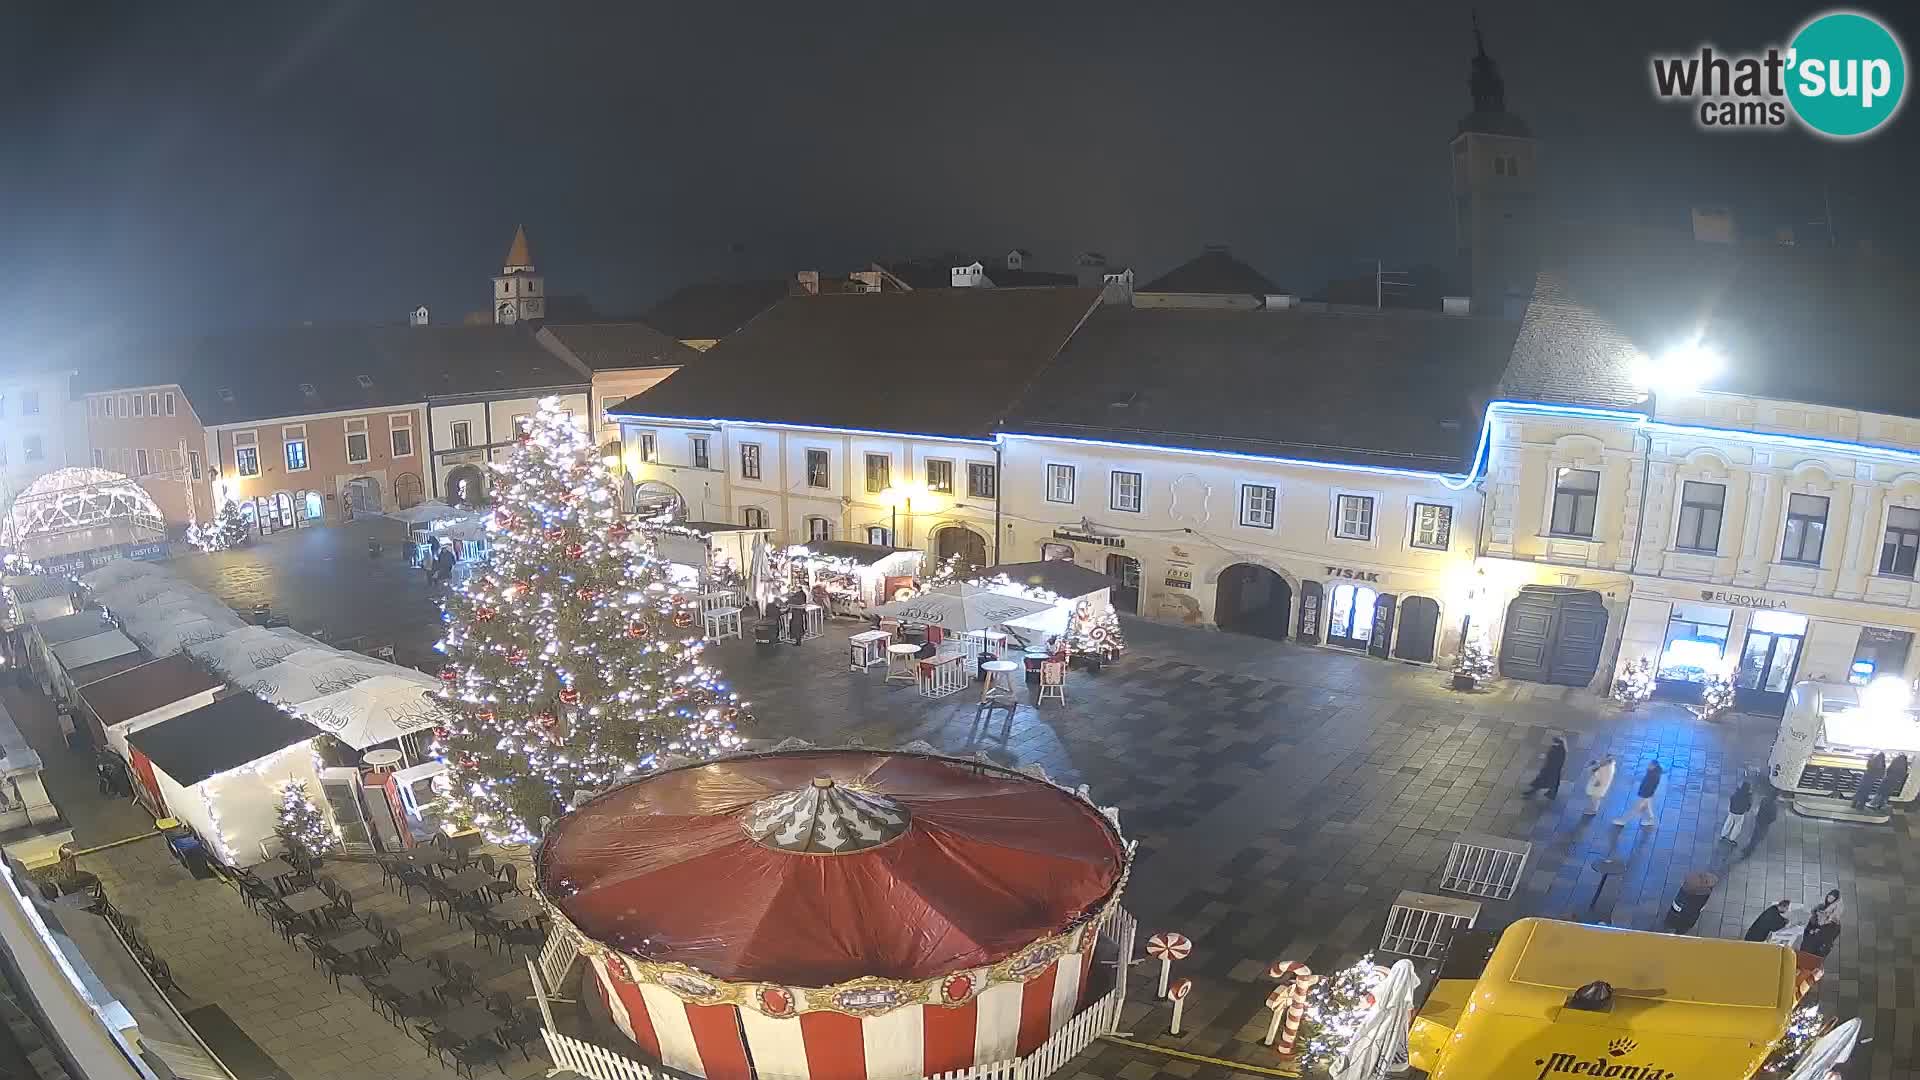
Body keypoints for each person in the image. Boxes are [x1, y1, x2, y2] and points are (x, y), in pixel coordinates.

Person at [1615, 760, 1663, 827]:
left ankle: (1623, 821)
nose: (1648, 765)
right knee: (1646, 807)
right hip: (1647, 795)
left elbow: (1649, 786)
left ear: (1654, 766)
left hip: (1645, 794)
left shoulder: (1653, 775)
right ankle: (1651, 820)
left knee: (1635, 808)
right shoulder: (1652, 772)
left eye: (1650, 765)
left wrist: (1644, 795)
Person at [1742, 787, 1780, 857]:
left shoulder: (1764, 799)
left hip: (1759, 820)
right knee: (1758, 837)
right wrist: (1768, 821)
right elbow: (1773, 817)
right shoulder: (1774, 806)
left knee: (1754, 835)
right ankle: (1749, 851)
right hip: (1764, 823)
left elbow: (1759, 808)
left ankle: (1748, 848)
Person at [1720, 777, 1754, 843]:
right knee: (1737, 826)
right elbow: (1749, 806)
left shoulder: (1737, 793)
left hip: (1732, 811)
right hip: (1740, 814)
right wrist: (1746, 810)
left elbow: (1731, 799)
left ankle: (1723, 834)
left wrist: (1730, 807)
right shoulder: (1748, 797)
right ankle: (1732, 838)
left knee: (1728, 822)